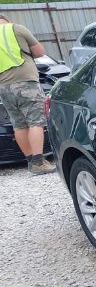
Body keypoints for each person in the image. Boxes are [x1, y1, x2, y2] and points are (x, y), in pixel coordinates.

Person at [0, 13, 55, 175]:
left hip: (4, 86)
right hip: (25, 82)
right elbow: (39, 52)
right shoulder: (17, 29)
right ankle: (39, 162)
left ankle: (31, 161)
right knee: (36, 122)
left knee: (19, 124)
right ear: (7, 21)